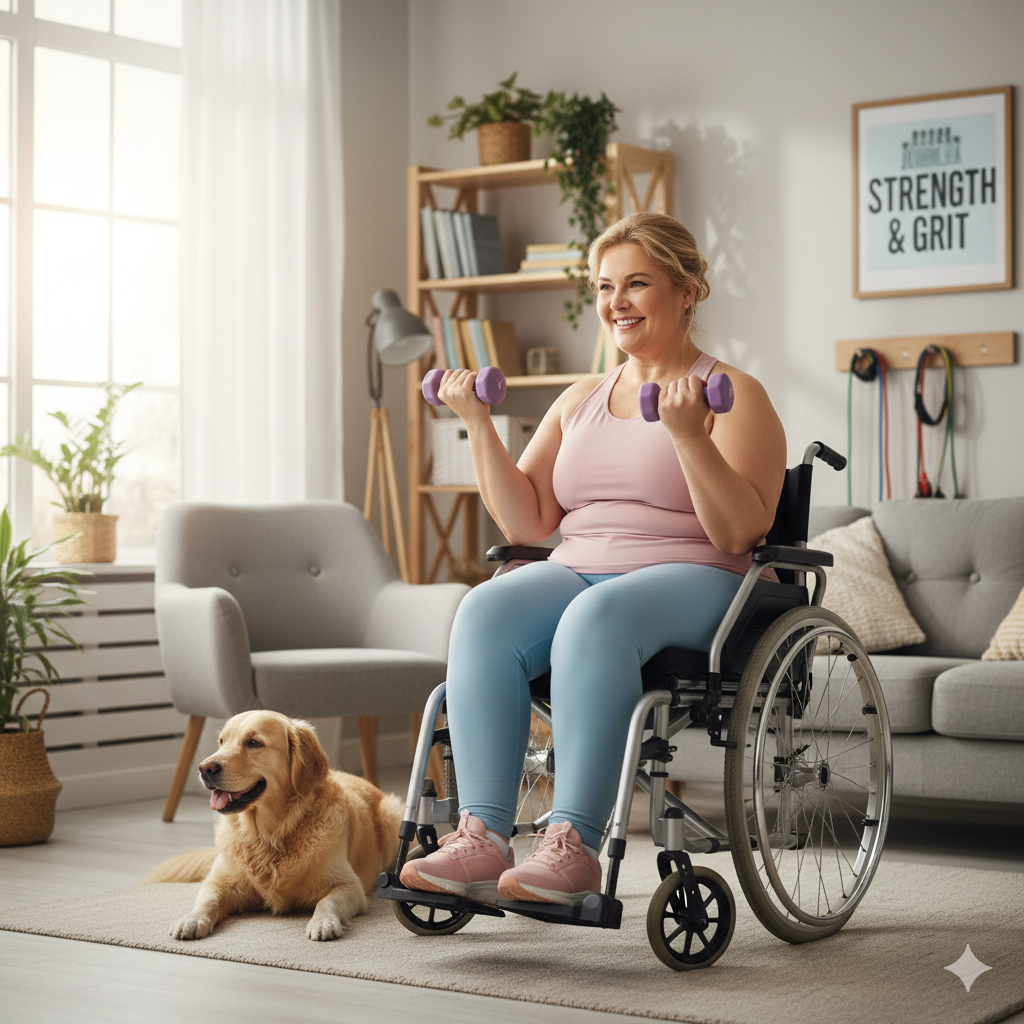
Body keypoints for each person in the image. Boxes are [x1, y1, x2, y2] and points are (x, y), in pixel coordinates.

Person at [400, 211, 787, 907]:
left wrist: (688, 437)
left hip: (700, 577)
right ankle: (482, 835)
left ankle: (570, 845)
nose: (617, 302)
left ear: (687, 289)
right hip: (580, 566)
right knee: (484, 608)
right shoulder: (579, 399)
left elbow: (738, 533)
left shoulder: (734, 395)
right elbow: (528, 519)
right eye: (607, 286)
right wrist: (478, 423)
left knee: (596, 613)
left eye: (637, 284)